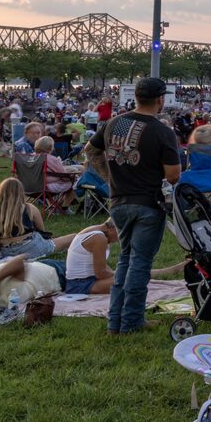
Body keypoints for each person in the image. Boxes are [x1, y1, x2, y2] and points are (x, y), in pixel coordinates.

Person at [85, 76, 182, 335]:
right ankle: (131, 322)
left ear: (136, 97)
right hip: (147, 203)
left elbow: (90, 150)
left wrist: (109, 176)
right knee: (140, 263)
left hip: (118, 202)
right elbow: (173, 175)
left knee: (125, 260)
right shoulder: (163, 131)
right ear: (160, 100)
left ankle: (114, 322)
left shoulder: (113, 123)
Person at [0, 178, 57, 260]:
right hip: (33, 248)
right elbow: (42, 231)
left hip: (6, 252)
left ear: (0, 192)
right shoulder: (29, 208)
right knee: (70, 238)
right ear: (20, 192)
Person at [61, 220, 118, 296]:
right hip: (80, 285)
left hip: (83, 282)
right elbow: (101, 273)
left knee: (130, 278)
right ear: (113, 228)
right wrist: (117, 274)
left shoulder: (97, 231)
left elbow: (101, 266)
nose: (119, 238)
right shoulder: (99, 238)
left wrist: (115, 274)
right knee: (130, 281)